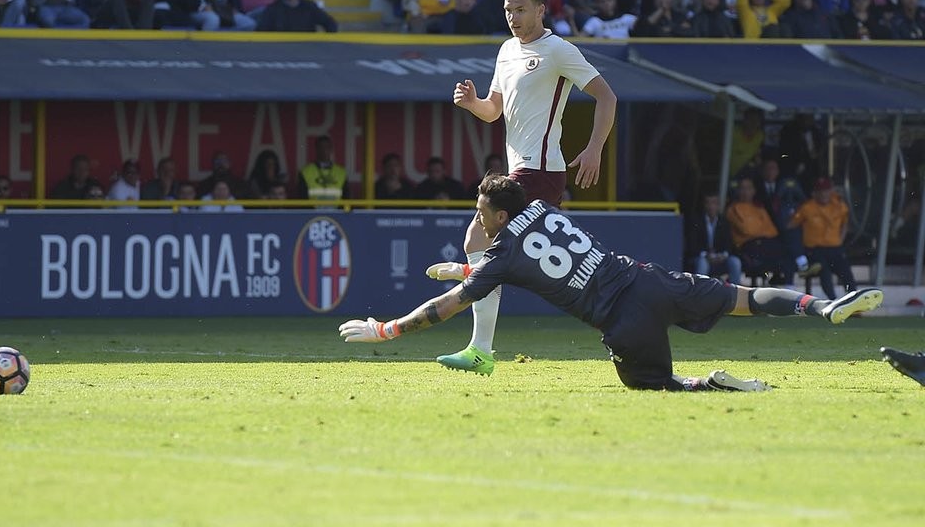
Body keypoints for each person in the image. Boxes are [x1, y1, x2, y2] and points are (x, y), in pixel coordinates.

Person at [340, 174, 885, 391]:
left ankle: (710, 385)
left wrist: (388, 330)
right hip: (650, 281)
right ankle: (822, 306)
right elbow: (542, 261)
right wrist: (471, 270)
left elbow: (451, 306)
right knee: (743, 298)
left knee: (653, 385)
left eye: (482, 212)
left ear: (500, 216)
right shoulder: (544, 210)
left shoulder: (501, 250)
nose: (478, 219)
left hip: (623, 321)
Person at [428, 0, 618, 376]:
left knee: (478, 241)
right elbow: (494, 110)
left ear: (540, 10)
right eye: (508, 10)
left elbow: (607, 96)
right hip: (521, 167)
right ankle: (482, 342)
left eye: (521, 9)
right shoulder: (506, 51)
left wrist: (594, 147)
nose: (513, 17)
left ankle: (480, 341)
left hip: (542, 169)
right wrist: (472, 103)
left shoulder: (558, 50)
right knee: (522, 258)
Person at [298, 135, 348, 201]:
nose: (324, 150)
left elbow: (346, 198)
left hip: (336, 211)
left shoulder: (341, 173)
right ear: (316, 149)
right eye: (321, 147)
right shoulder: (305, 172)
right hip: (312, 211)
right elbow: (302, 198)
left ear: (331, 149)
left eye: (327, 147)